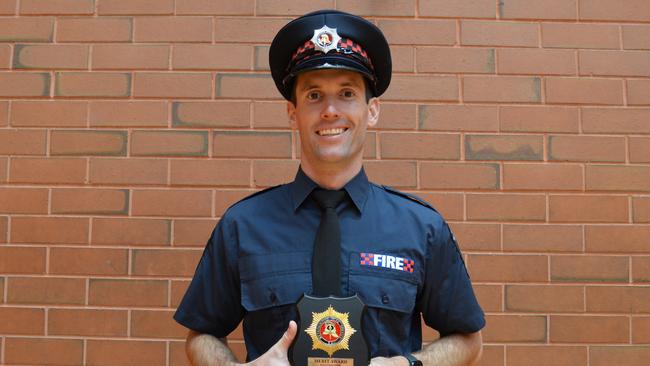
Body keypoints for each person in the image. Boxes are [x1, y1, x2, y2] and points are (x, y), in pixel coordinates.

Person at [174, 9, 485, 366]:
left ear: (372, 111)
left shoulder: (421, 228)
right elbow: (201, 334)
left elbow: (468, 339)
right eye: (314, 95)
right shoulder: (242, 225)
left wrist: (408, 364)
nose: (330, 111)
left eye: (348, 93)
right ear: (293, 112)